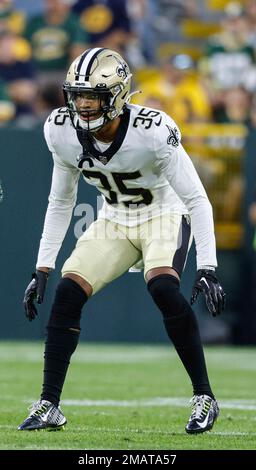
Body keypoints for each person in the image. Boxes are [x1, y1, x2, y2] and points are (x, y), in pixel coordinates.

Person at [18, 47, 226, 434]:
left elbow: (196, 199)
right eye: (77, 95)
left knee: (163, 286)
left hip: (164, 213)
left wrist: (208, 266)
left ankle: (204, 397)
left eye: (93, 96)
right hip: (115, 217)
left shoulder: (152, 131)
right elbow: (61, 200)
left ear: (116, 95)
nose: (82, 105)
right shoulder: (60, 129)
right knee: (67, 291)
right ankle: (49, 404)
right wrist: (42, 267)